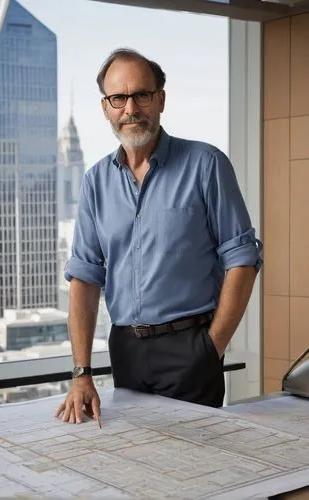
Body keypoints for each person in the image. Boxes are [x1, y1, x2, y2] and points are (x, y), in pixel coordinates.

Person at [55, 48, 263, 424]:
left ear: (160, 99)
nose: (130, 108)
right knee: (135, 464)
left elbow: (243, 259)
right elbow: (84, 278)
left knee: (197, 465)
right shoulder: (95, 182)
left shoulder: (206, 164)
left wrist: (211, 347)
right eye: (118, 98)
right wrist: (81, 372)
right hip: (125, 349)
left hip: (191, 347)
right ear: (106, 108)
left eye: (142, 95)